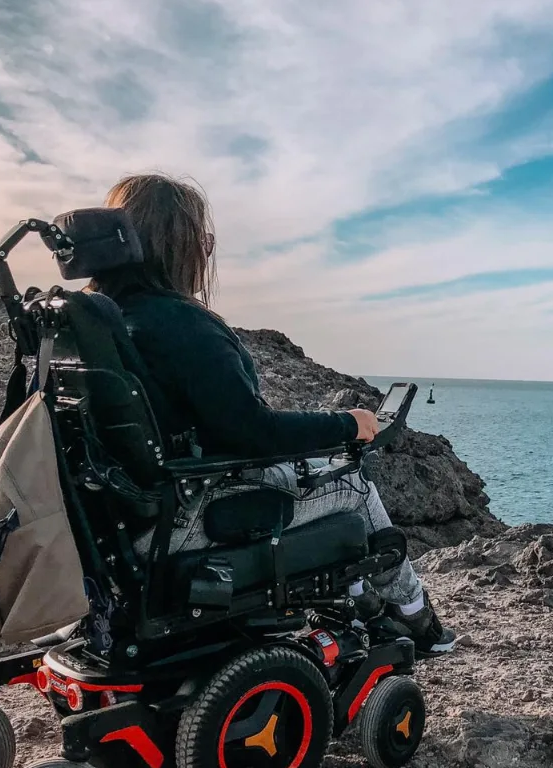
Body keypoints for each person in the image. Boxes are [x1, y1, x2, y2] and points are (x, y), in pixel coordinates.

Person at [89, 172, 456, 656]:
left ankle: (362, 605)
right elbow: (252, 432)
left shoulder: (99, 321)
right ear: (176, 244)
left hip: (121, 522)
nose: (208, 249)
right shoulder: (180, 325)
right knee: (352, 486)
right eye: (204, 239)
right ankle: (417, 621)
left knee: (304, 471)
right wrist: (349, 423)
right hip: (178, 525)